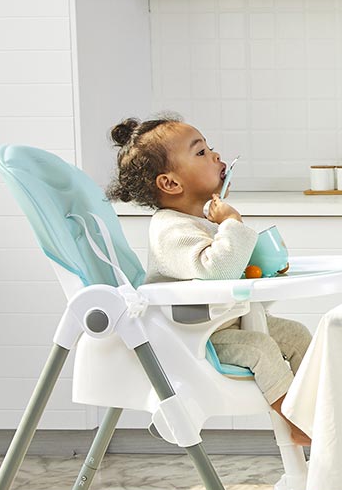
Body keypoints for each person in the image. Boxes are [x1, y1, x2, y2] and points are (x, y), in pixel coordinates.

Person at [105, 115, 314, 447]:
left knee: (297, 336)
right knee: (260, 349)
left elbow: (224, 269)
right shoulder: (169, 229)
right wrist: (231, 222)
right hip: (192, 338)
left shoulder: (196, 222)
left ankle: (318, 412)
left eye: (211, 148)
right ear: (171, 183)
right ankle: (297, 424)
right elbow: (217, 271)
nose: (216, 156)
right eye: (201, 152)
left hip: (222, 325)